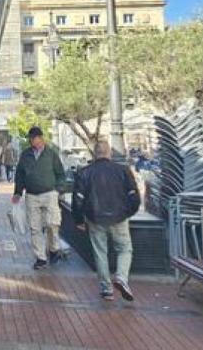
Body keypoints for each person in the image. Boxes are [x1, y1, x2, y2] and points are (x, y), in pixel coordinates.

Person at [72, 140, 140, 301]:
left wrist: (79, 219)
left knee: (100, 252)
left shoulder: (85, 172)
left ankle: (106, 288)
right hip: (119, 217)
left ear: (95, 154)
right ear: (109, 153)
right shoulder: (122, 170)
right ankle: (122, 276)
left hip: (95, 218)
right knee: (124, 249)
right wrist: (128, 212)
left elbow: (77, 199)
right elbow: (134, 196)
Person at [13, 126, 66, 270]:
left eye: (34, 138)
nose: (31, 141)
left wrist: (58, 190)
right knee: (35, 227)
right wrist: (18, 192)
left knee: (52, 224)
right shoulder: (25, 155)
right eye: (30, 139)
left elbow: (61, 174)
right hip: (31, 195)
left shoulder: (51, 154)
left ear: (41, 138)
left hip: (49, 193)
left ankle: (54, 249)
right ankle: (40, 257)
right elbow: (20, 175)